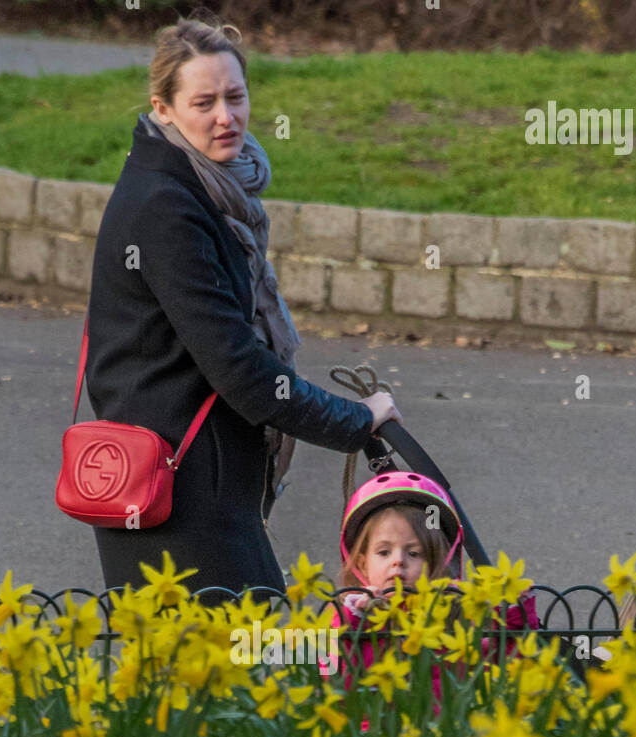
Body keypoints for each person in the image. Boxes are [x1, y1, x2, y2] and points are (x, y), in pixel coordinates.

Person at [83, 13, 401, 604]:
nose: (225, 117)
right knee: (241, 671)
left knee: (219, 679)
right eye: (204, 102)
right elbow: (242, 372)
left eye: (236, 96)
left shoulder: (197, 187)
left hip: (187, 481)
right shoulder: (167, 208)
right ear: (163, 108)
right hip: (176, 495)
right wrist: (356, 421)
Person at [319, 472, 539, 720]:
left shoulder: (457, 614)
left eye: (414, 553)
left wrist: (514, 616)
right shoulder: (346, 617)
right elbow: (336, 680)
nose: (398, 561)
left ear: (439, 563)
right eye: (383, 552)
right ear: (361, 563)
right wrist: (357, 622)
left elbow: (511, 666)